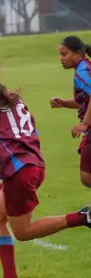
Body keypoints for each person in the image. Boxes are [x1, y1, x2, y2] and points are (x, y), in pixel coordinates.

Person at [0, 57, 90, 278]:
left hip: (20, 171)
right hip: (32, 163)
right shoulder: (11, 97)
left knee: (24, 232)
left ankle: (83, 217)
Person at [50, 35, 91, 187]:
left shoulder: (83, 72)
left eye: (64, 54)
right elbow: (85, 101)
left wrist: (85, 124)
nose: (61, 58)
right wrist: (64, 103)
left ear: (78, 54)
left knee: (86, 177)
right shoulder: (84, 67)